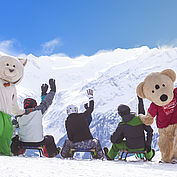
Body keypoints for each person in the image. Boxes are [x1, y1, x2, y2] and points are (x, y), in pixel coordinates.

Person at [11, 79, 60, 157]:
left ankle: (16, 151)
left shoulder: (19, 114)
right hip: (39, 142)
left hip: (23, 142)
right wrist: (52, 90)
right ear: (34, 105)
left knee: (15, 138)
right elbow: (46, 102)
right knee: (50, 138)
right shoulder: (38, 111)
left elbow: (13, 127)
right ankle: (51, 153)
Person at [104, 96, 155, 161]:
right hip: (142, 146)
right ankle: (149, 155)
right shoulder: (140, 120)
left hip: (129, 147)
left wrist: (117, 137)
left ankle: (110, 156)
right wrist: (148, 144)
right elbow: (149, 131)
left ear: (120, 114)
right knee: (146, 146)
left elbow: (114, 140)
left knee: (115, 145)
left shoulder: (122, 125)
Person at [61, 89, 104, 159]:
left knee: (67, 141)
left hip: (75, 145)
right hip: (89, 144)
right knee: (96, 141)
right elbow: (91, 109)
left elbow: (70, 137)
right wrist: (90, 97)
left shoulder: (67, 121)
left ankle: (65, 155)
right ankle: (99, 156)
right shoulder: (82, 116)